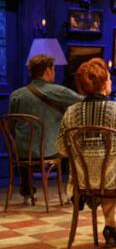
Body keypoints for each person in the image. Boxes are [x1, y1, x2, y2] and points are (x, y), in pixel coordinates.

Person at [56, 58, 116, 245]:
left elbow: (61, 147)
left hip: (83, 180)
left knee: (109, 173)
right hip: (114, 178)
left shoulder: (70, 112)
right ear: (105, 84)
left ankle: (110, 226)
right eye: (109, 78)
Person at [8, 55, 83, 204]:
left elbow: (11, 125)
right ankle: (71, 192)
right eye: (53, 70)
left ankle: (27, 192)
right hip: (50, 151)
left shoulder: (16, 95)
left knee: (25, 145)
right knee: (72, 148)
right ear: (48, 71)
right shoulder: (59, 91)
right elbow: (84, 102)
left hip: (22, 151)